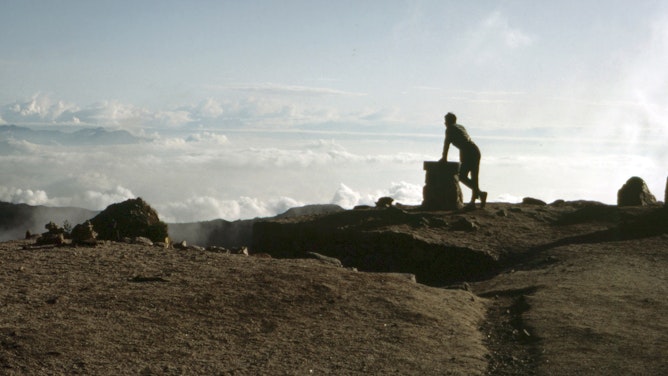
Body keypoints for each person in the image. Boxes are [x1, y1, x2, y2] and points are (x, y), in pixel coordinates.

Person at [440, 112, 487, 209]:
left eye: (445, 121)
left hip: (468, 152)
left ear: (448, 121)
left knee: (462, 176)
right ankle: (475, 199)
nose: (444, 123)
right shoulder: (460, 126)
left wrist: (444, 158)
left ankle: (478, 196)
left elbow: (446, 144)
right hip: (475, 150)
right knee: (474, 176)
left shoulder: (450, 129)